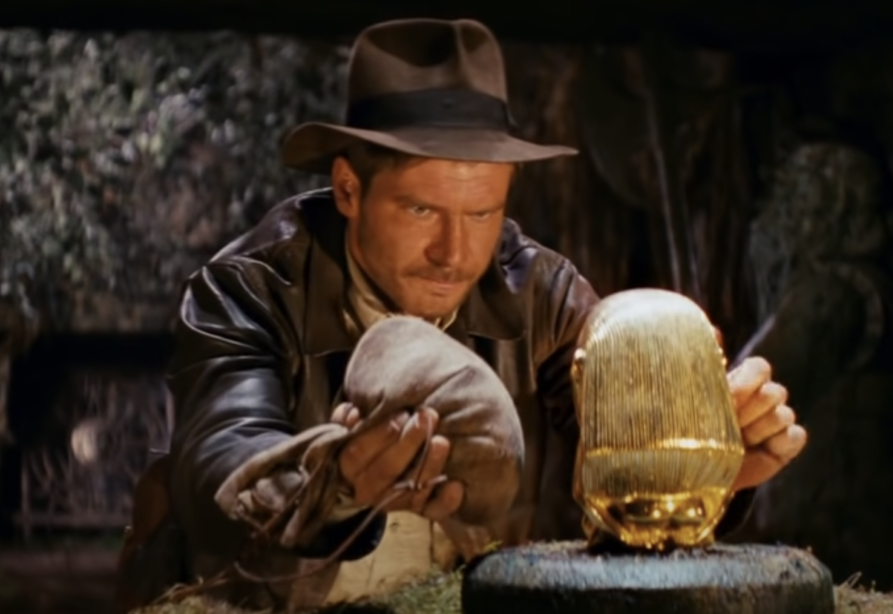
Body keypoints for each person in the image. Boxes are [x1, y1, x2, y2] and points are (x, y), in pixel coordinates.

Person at [113, 17, 808, 613]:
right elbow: (216, 473)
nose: (454, 252)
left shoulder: (543, 295)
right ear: (349, 189)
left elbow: (615, 455)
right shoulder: (246, 291)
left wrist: (699, 468)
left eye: (482, 213)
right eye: (421, 210)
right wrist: (335, 483)